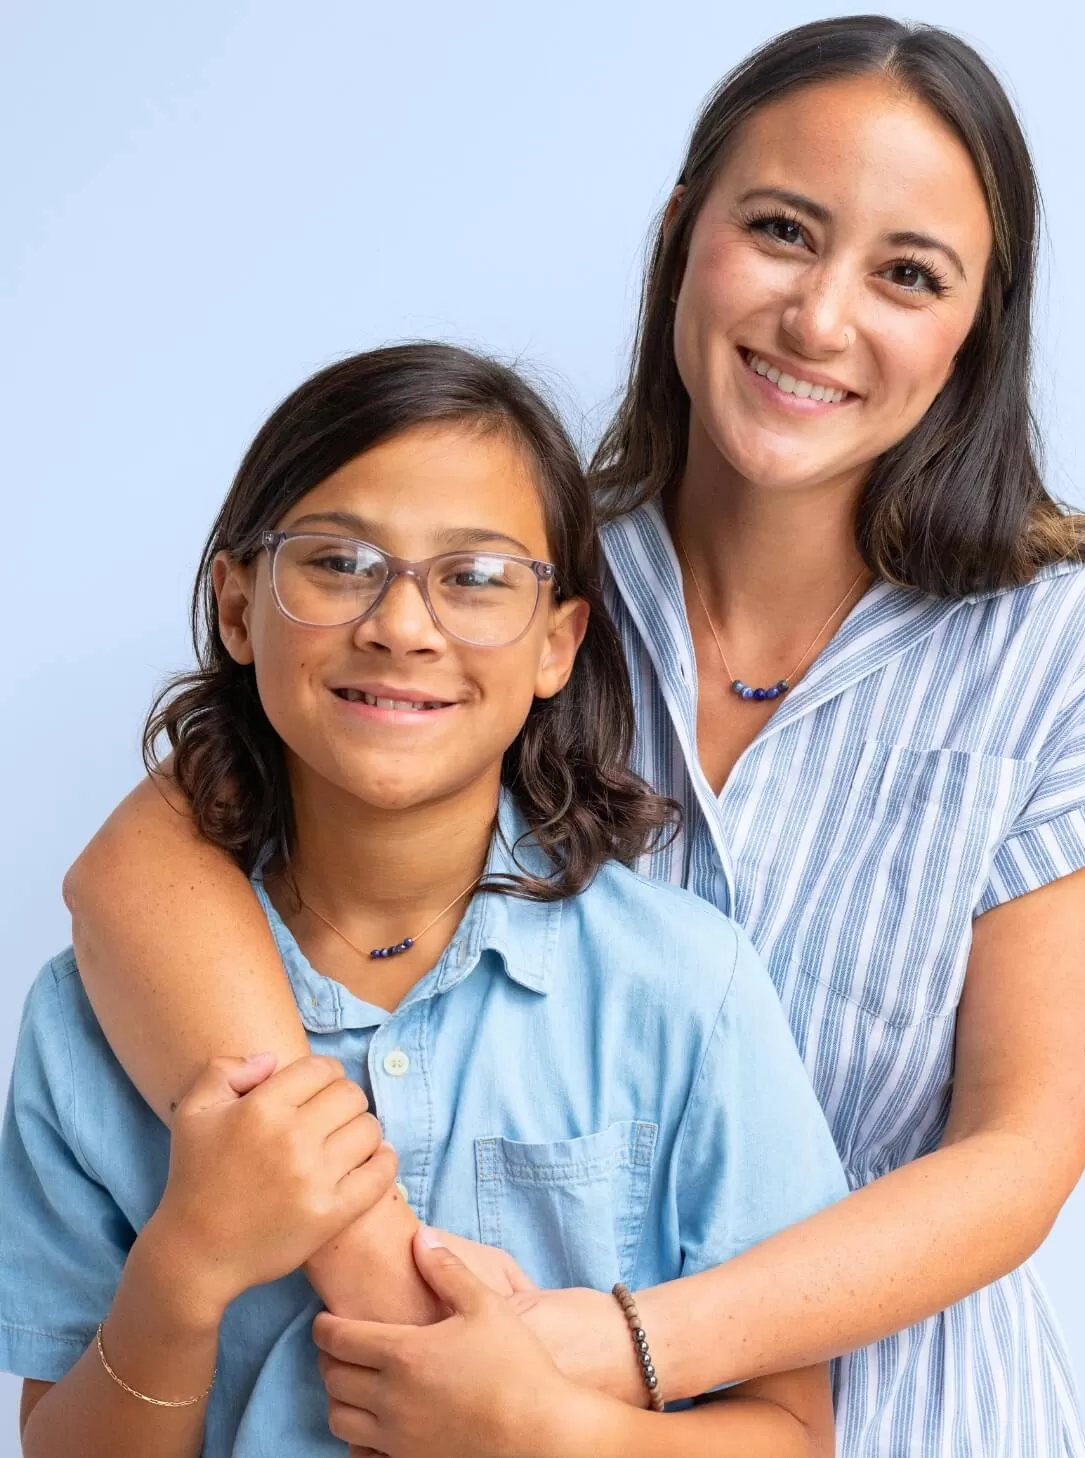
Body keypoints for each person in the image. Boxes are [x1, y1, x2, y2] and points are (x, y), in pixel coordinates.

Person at [58, 14, 1085, 1458]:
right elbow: (147, 861)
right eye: (780, 230)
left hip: (908, 1408)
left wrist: (600, 1364)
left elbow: (1016, 1152)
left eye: (907, 274)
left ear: (976, 324)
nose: (819, 318)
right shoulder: (506, 586)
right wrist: (376, 1276)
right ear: (684, 233)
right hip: (444, 1378)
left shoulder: (1065, 645)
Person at [0, 344, 848, 1458]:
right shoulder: (89, 1017)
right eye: (340, 562)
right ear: (239, 604)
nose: (401, 624)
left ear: (557, 643)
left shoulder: (685, 990)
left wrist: (547, 1434)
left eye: (476, 576)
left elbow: (790, 1433)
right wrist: (185, 1268)